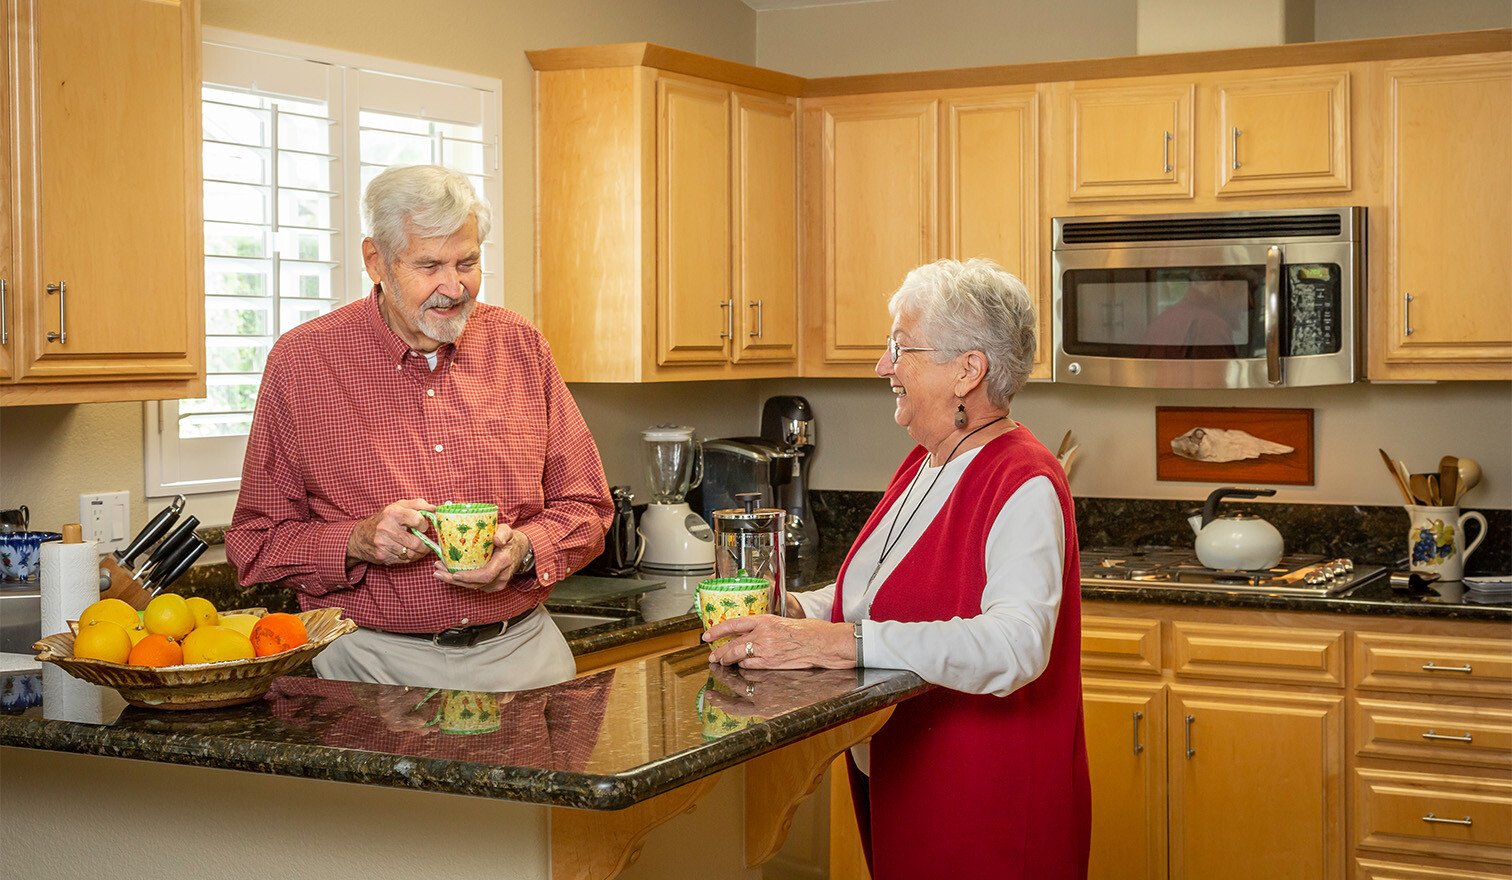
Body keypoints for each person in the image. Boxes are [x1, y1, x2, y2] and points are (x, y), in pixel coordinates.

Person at [704, 258, 1090, 879]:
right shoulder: (925, 463)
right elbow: (878, 591)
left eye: (900, 347)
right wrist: (798, 611)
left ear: (968, 370)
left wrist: (843, 644)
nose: (883, 366)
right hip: (911, 774)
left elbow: (1018, 643)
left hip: (987, 799)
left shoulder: (1023, 479)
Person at [227, 165, 613, 693]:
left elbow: (587, 505)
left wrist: (525, 548)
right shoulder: (303, 363)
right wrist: (356, 541)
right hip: (368, 666)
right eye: (429, 265)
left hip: (524, 654)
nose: (453, 288)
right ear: (376, 261)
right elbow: (254, 545)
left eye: (468, 262)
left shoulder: (522, 346)